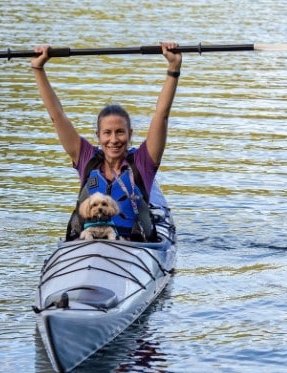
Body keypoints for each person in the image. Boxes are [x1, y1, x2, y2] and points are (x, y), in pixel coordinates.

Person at [31, 42, 182, 241]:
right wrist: (38, 68)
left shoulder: (143, 162)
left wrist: (173, 69)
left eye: (120, 132)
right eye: (107, 133)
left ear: (130, 134)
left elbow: (161, 115)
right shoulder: (86, 158)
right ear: (98, 136)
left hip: (133, 247)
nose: (113, 140)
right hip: (89, 241)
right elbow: (57, 117)